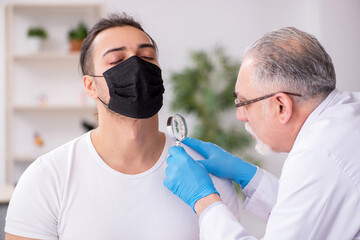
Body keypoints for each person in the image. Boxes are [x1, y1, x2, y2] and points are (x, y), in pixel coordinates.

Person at [5, 13, 239, 240]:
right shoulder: (47, 177)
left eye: (147, 58)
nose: (137, 67)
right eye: (117, 60)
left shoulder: (205, 177)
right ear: (90, 86)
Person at [164, 27, 360, 239]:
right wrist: (250, 177)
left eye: (244, 102)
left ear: (281, 106)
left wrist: (203, 200)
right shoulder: (346, 115)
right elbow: (310, 212)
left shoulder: (318, 155)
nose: (240, 115)